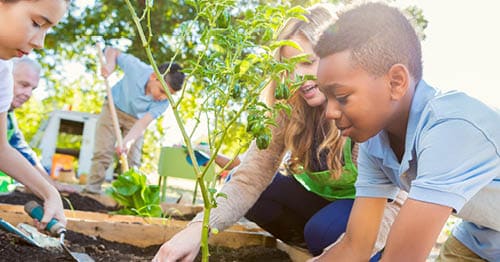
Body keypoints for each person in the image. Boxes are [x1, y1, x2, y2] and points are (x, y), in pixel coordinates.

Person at [153, 4, 404, 261]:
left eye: (308, 62)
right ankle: (310, 251)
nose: (298, 77)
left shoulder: (365, 108)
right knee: (256, 192)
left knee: (323, 229)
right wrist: (198, 230)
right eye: (288, 67)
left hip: (371, 210)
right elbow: (249, 178)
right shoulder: (289, 108)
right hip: (321, 205)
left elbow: (396, 202)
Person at [312, 2, 500, 261]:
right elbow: (355, 247)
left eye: (342, 96)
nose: (329, 112)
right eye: (327, 97)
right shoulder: (375, 143)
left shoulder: (452, 129)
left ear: (396, 82)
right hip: (482, 238)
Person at [0, 0, 70, 230]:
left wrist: (50, 192)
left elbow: (1, 149)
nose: (40, 43)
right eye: (36, 23)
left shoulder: (3, 72)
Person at [84, 46, 186, 194]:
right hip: (113, 109)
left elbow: (143, 123)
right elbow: (112, 50)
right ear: (153, 77)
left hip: (135, 120)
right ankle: (91, 192)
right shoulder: (137, 68)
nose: (163, 97)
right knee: (103, 153)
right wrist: (111, 64)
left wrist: (128, 142)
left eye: (168, 95)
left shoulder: (164, 102)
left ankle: (128, 198)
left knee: (133, 160)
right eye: (162, 91)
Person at [0, 57, 76, 193]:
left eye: (32, 89)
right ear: (5, 77)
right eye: (23, 85)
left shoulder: (9, 117)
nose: (28, 94)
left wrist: (52, 187)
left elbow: (25, 155)